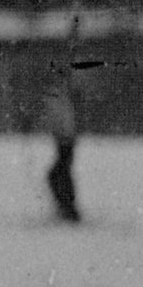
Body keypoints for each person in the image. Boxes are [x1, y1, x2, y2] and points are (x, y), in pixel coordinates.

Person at [40, 80, 81, 224]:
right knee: (60, 174)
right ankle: (67, 208)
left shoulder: (57, 101)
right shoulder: (60, 100)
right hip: (65, 142)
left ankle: (67, 209)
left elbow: (62, 123)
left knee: (57, 174)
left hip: (65, 142)